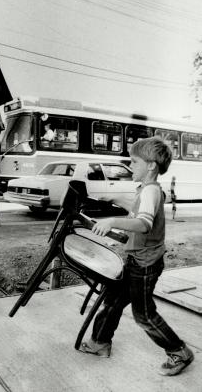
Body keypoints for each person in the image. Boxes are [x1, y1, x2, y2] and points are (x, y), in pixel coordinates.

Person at [79, 137, 194, 376]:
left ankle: (179, 351)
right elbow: (136, 209)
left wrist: (112, 220)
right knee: (113, 302)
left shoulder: (151, 191)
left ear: (151, 165)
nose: (131, 165)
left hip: (145, 264)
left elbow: (143, 223)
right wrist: (114, 200)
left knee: (143, 314)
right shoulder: (146, 189)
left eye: (134, 161)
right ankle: (100, 342)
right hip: (136, 259)